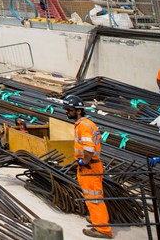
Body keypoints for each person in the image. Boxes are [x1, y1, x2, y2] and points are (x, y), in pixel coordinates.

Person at [64, 95, 112, 238]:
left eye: (69, 109)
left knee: (94, 198)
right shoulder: (87, 123)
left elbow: (89, 149)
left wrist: (83, 162)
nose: (66, 112)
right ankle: (97, 219)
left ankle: (103, 229)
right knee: (92, 197)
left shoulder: (83, 126)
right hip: (92, 166)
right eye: (66, 109)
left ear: (78, 111)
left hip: (90, 167)